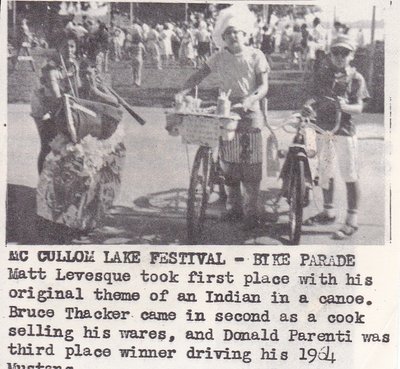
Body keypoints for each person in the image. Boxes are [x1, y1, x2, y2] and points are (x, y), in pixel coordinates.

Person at [176, 4, 270, 230]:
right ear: (222, 37)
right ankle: (234, 208)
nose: (233, 36)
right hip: (227, 111)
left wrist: (249, 100)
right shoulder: (219, 56)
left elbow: (264, 86)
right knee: (229, 164)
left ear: (246, 34)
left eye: (237, 31)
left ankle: (251, 211)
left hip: (250, 113)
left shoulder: (256, 55)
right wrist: (183, 90)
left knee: (251, 165)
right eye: (228, 33)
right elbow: (199, 74)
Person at [32, 34, 126, 238]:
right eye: (67, 46)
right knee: (49, 147)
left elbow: (82, 92)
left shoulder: (74, 65)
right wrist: (67, 85)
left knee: (77, 155)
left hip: (68, 110)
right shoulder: (51, 69)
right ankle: (43, 194)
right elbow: (57, 97)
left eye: (73, 46)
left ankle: (76, 206)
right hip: (46, 108)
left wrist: (93, 85)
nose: (71, 50)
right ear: (59, 49)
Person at [302, 35, 370, 240]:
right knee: (326, 173)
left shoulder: (356, 78)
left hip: (345, 131)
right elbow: (313, 96)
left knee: (349, 175)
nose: (340, 57)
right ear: (330, 54)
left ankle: (352, 220)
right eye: (336, 52)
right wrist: (308, 105)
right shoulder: (322, 74)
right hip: (324, 129)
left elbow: (359, 107)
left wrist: (345, 106)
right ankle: (329, 211)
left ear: (352, 55)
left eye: (345, 53)